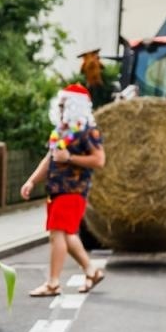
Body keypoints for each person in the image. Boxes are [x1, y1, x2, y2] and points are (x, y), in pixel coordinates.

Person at [20, 84, 104, 295]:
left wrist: (70, 158)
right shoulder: (60, 132)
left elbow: (99, 160)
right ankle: (91, 270)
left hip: (74, 190)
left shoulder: (87, 132)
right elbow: (50, 159)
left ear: (74, 105)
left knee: (58, 233)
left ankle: (53, 283)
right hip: (56, 190)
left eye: (63, 103)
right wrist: (31, 181)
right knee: (66, 235)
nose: (59, 106)